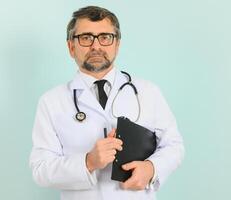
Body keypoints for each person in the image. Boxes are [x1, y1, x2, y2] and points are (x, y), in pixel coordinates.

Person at [29, 6, 184, 200]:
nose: (96, 46)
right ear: (71, 47)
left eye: (105, 37)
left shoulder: (147, 92)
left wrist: (151, 169)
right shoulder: (51, 101)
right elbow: (40, 170)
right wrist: (88, 162)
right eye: (85, 38)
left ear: (117, 44)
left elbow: (174, 145)